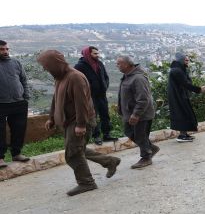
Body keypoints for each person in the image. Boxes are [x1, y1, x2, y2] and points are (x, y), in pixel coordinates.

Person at [37, 50, 120, 196]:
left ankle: (86, 183)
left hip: (79, 121)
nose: (45, 69)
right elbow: (55, 99)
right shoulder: (60, 77)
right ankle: (109, 161)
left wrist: (81, 124)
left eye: (46, 66)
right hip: (68, 121)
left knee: (73, 153)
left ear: (55, 63)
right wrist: (51, 118)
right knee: (77, 149)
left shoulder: (75, 77)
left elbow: (82, 104)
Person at [117, 54, 159, 168]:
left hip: (142, 114)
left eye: (119, 64)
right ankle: (151, 148)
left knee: (140, 135)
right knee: (129, 131)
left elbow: (143, 99)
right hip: (129, 113)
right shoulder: (127, 76)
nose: (117, 66)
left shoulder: (138, 78)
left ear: (126, 64)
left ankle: (146, 157)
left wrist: (136, 114)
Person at [74, 46, 117, 145]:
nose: (98, 55)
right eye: (95, 53)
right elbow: (78, 82)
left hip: (102, 95)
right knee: (93, 116)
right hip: (90, 97)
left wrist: (105, 86)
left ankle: (107, 134)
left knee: (105, 114)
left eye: (98, 53)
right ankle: (96, 136)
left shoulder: (100, 64)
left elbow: (106, 77)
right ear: (88, 54)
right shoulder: (80, 66)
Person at [0, 40, 31, 168]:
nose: (5, 51)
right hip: (1, 103)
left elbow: (24, 79)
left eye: (7, 49)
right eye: (2, 49)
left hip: (19, 102)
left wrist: (26, 97)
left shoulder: (16, 63)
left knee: (19, 129)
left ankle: (16, 153)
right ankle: (0, 158)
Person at [168, 53, 205, 142]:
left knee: (185, 113)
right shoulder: (177, 71)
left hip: (181, 95)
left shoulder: (179, 69)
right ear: (181, 61)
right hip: (178, 97)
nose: (187, 62)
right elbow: (185, 84)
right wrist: (199, 89)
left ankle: (184, 133)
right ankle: (182, 136)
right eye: (186, 60)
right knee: (182, 114)